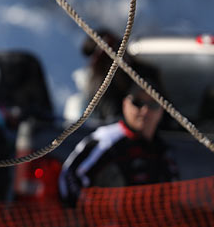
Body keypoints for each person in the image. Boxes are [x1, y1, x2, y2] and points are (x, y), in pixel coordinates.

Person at [58, 74, 179, 207]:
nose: (145, 111)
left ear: (162, 109)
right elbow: (70, 177)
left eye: (153, 104)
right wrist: (93, 214)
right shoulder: (106, 140)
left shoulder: (162, 149)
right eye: (138, 103)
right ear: (125, 104)